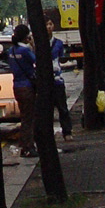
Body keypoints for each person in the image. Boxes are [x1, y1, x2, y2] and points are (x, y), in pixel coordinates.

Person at [7, 23, 37, 158]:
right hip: (27, 87)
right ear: (26, 37)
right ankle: (28, 146)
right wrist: (33, 45)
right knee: (29, 119)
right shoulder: (25, 50)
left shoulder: (11, 51)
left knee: (24, 116)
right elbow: (36, 60)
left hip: (17, 87)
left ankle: (24, 144)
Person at [44, 11, 74, 140]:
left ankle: (67, 132)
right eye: (46, 24)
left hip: (57, 80)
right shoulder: (38, 43)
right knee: (47, 109)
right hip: (45, 81)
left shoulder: (58, 43)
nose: (49, 27)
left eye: (50, 24)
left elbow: (61, 58)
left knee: (62, 107)